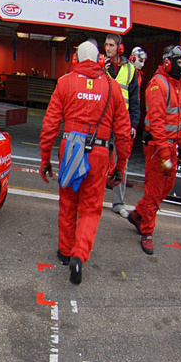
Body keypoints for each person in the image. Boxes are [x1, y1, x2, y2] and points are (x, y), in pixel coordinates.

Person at [39, 40, 132, 284]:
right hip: (100, 154)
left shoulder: (64, 82)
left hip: (70, 150)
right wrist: (120, 166)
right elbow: (123, 132)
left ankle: (64, 252)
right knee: (90, 209)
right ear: (100, 59)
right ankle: (79, 256)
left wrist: (45, 158)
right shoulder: (113, 87)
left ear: (77, 60)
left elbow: (50, 124)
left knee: (68, 203)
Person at [128, 45, 181, 255]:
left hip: (170, 147)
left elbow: (176, 119)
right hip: (157, 148)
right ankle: (147, 232)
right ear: (168, 63)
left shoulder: (176, 86)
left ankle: (137, 214)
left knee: (166, 188)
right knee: (154, 192)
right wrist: (164, 153)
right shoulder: (157, 85)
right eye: (178, 63)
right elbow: (158, 123)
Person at [103, 34, 141, 218]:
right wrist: (101, 70)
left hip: (122, 122)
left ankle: (118, 203)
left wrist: (134, 123)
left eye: (111, 45)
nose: (107, 48)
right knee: (99, 159)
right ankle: (94, 197)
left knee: (120, 162)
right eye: (106, 45)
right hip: (103, 121)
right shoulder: (101, 66)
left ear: (120, 48)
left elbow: (134, 100)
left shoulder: (130, 70)